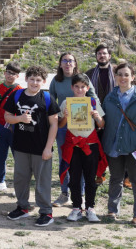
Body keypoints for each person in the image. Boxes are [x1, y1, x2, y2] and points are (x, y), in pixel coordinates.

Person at [4, 65, 60, 227]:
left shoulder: (47, 98)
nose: (34, 83)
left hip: (41, 147)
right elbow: (7, 117)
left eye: (38, 80)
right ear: (26, 79)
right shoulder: (17, 95)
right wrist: (20, 119)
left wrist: (48, 147)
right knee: (20, 179)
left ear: (43, 82)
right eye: (32, 79)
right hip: (20, 146)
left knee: (42, 181)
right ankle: (22, 207)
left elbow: (54, 124)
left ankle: (46, 212)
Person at [49, 52, 99, 207]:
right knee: (65, 158)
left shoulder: (82, 78)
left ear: (75, 63)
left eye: (70, 60)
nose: (67, 63)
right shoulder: (56, 80)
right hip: (64, 125)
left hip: (82, 126)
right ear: (60, 64)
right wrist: (55, 119)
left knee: (81, 158)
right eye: (64, 60)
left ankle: (81, 194)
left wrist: (98, 115)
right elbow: (51, 101)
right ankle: (64, 193)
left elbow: (93, 97)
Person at [58, 73, 107, 223]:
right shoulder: (66, 103)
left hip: (90, 145)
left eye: (82, 87)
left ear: (87, 88)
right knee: (74, 178)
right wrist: (65, 116)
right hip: (73, 146)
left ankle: (90, 208)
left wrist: (97, 116)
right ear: (72, 87)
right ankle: (76, 207)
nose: (79, 90)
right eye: (77, 87)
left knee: (90, 178)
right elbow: (60, 125)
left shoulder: (92, 102)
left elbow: (101, 124)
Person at [101, 63, 136, 225]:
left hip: (133, 146)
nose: (123, 78)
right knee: (116, 178)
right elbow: (104, 121)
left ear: (133, 77)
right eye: (120, 74)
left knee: (135, 180)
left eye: (126, 74)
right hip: (113, 145)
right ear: (115, 77)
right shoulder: (109, 97)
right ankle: (112, 211)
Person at [86, 44, 116, 186]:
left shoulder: (117, 72)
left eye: (104, 53)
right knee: (97, 146)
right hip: (95, 115)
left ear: (109, 55)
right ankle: (100, 174)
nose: (101, 56)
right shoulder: (90, 73)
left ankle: (124, 175)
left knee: (116, 144)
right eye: (99, 53)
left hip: (115, 114)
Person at [0, 62, 23, 195]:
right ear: (4, 73)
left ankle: (18, 184)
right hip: (1, 126)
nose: (10, 75)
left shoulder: (20, 90)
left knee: (18, 157)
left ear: (18, 76)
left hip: (15, 128)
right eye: (8, 72)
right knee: (0, 155)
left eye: (13, 73)